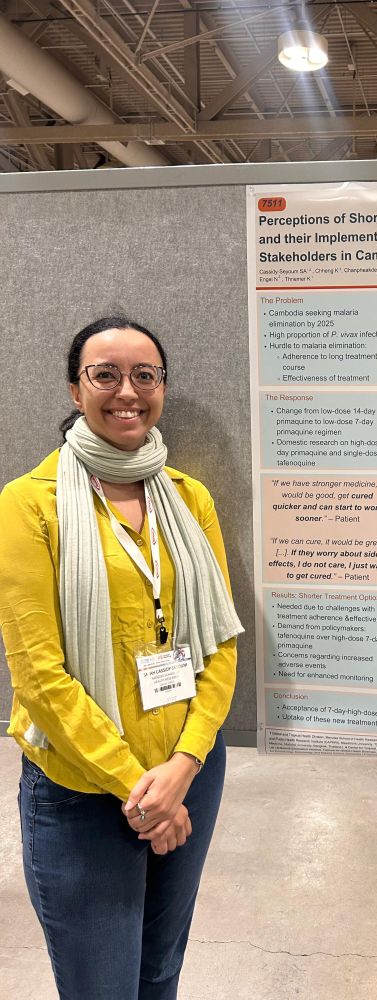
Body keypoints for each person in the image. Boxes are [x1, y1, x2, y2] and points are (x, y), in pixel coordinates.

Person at [0, 316, 243, 1000]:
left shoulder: (188, 498)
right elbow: (38, 674)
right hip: (82, 790)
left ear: (163, 386)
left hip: (190, 770)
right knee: (102, 987)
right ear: (75, 389)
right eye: (105, 374)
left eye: (145, 375)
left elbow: (220, 641)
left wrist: (185, 766)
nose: (127, 391)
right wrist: (142, 790)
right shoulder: (29, 504)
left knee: (160, 971)